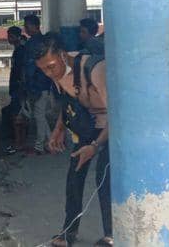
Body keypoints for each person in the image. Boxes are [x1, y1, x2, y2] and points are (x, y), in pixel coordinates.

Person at [35, 33, 113, 247]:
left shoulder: (96, 69)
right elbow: (69, 102)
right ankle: (68, 232)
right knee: (74, 177)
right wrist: (58, 129)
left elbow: (119, 116)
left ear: (62, 55)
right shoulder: (57, 74)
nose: (49, 73)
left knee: (104, 178)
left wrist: (95, 147)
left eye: (51, 66)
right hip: (88, 125)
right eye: (43, 69)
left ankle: (111, 235)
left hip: (112, 127)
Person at [23, 14, 56, 153]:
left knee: (38, 116)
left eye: (26, 25)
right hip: (46, 82)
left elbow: (31, 67)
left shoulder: (33, 44)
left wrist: (29, 85)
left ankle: (39, 145)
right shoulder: (44, 41)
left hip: (37, 84)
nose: (25, 28)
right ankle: (50, 143)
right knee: (40, 114)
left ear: (32, 26)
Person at [1, 26, 28, 154]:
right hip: (17, 87)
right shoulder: (19, 50)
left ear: (17, 36)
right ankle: (20, 141)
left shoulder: (20, 51)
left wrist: (22, 86)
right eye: (8, 36)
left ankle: (18, 143)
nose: (9, 39)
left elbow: (22, 70)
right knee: (19, 115)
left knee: (16, 116)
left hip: (18, 87)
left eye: (10, 36)